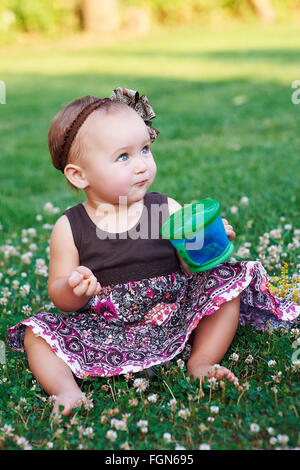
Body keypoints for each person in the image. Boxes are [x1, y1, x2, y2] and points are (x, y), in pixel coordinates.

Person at [7, 87, 300, 417]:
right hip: (108, 329)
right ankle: (66, 390)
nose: (141, 165)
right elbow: (60, 296)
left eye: (145, 149)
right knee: (37, 333)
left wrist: (206, 246)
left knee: (227, 281)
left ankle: (202, 360)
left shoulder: (166, 208)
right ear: (79, 175)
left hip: (173, 313)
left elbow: (191, 272)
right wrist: (74, 288)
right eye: (123, 157)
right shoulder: (69, 227)